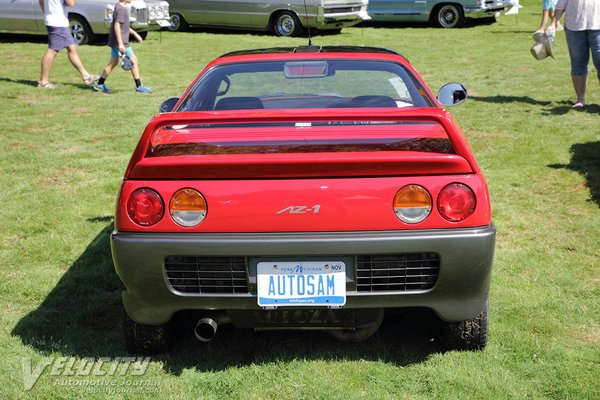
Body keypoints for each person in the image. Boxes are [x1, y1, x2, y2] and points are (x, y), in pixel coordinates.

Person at [93, 0, 152, 93]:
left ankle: (99, 84)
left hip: (116, 41)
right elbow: (117, 26)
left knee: (113, 63)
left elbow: (124, 25)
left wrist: (135, 34)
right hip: (121, 42)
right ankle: (139, 86)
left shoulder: (119, 7)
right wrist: (120, 43)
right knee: (134, 60)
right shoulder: (121, 9)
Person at [38, 0, 99, 89]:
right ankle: (43, 82)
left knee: (71, 48)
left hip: (54, 20)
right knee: (52, 50)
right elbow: (71, 3)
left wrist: (47, 13)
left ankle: (86, 76)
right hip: (58, 22)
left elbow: (41, 1)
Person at [552, 0, 600, 108]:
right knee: (578, 62)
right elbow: (561, 3)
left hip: (598, 25)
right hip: (574, 25)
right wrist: (554, 22)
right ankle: (580, 99)